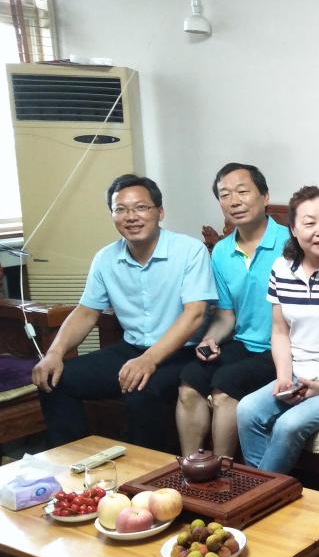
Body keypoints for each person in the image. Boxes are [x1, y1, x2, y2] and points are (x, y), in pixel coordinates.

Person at [31, 174, 215, 451]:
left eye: (141, 207)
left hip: (181, 353)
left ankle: (150, 472)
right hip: (131, 350)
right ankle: (77, 464)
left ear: (159, 212)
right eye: (121, 209)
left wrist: (149, 359)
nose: (131, 217)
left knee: (141, 390)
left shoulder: (190, 251)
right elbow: (86, 312)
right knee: (56, 380)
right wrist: (54, 353)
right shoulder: (105, 258)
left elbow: (195, 315)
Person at [236, 185, 319, 473]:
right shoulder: (282, 268)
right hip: (298, 376)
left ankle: (258, 492)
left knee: (288, 425)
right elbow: (279, 331)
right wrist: (284, 378)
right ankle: (266, 490)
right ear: (294, 230)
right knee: (246, 410)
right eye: (310, 223)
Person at [175, 163, 289, 458]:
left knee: (225, 387)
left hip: (284, 349)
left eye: (242, 191)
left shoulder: (292, 243)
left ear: (264, 196)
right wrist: (209, 339)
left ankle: (221, 471)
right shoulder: (222, 252)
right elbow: (226, 316)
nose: (234, 201)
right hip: (243, 343)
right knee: (190, 380)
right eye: (225, 195)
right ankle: (190, 467)